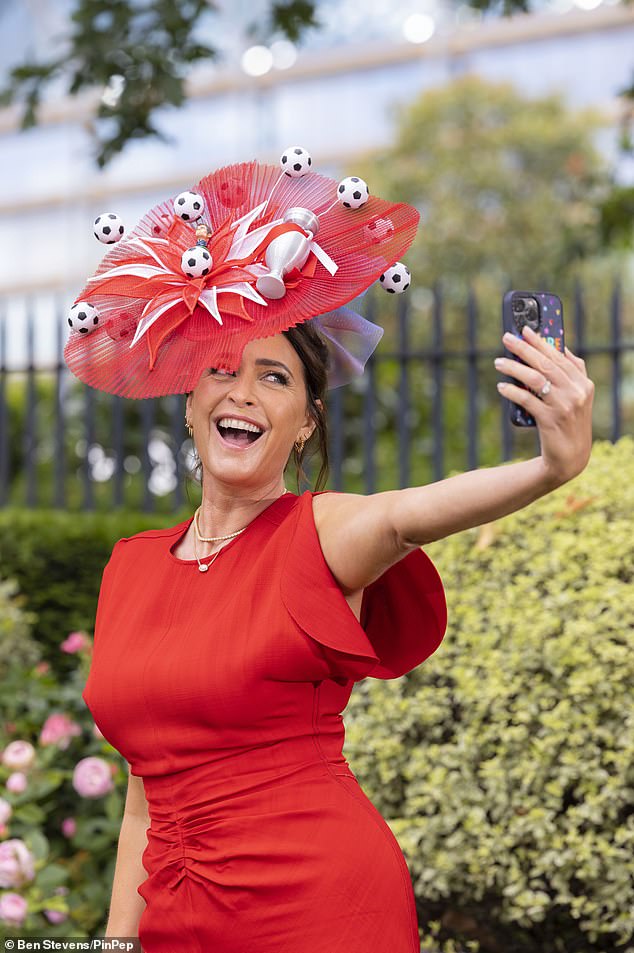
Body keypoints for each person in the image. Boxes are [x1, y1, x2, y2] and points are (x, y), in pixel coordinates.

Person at [72, 156, 594, 953]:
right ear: (189, 402)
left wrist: (553, 466)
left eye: (273, 376)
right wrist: (113, 943)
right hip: (176, 920)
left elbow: (409, 514)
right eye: (220, 369)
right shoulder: (130, 565)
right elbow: (146, 793)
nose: (241, 391)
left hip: (320, 908)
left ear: (305, 421)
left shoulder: (321, 533)